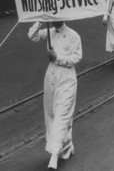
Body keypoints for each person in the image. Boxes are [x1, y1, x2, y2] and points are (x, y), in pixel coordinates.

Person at [28, 21, 82, 170]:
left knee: (62, 114)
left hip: (66, 78)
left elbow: (77, 57)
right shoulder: (49, 32)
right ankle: (68, 145)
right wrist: (39, 20)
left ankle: (54, 156)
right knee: (51, 113)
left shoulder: (73, 35)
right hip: (51, 76)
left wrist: (57, 57)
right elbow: (32, 36)